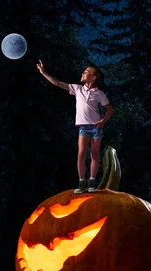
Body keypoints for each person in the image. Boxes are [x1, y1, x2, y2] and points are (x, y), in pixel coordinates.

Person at [36, 59, 114, 194]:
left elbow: (110, 109)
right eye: (84, 71)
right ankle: (82, 182)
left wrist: (103, 121)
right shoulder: (77, 89)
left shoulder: (98, 93)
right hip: (83, 127)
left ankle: (92, 182)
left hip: (96, 127)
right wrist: (43, 72)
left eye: (86, 72)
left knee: (94, 154)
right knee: (81, 153)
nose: (83, 73)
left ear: (93, 77)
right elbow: (57, 83)